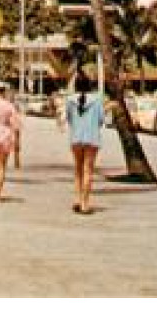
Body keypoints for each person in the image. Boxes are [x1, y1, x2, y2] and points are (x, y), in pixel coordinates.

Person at [65, 72, 104, 215]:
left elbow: (69, 118)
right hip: (92, 138)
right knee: (88, 170)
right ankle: (85, 204)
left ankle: (78, 199)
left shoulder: (70, 100)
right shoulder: (97, 99)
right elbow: (101, 120)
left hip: (76, 137)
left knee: (78, 170)